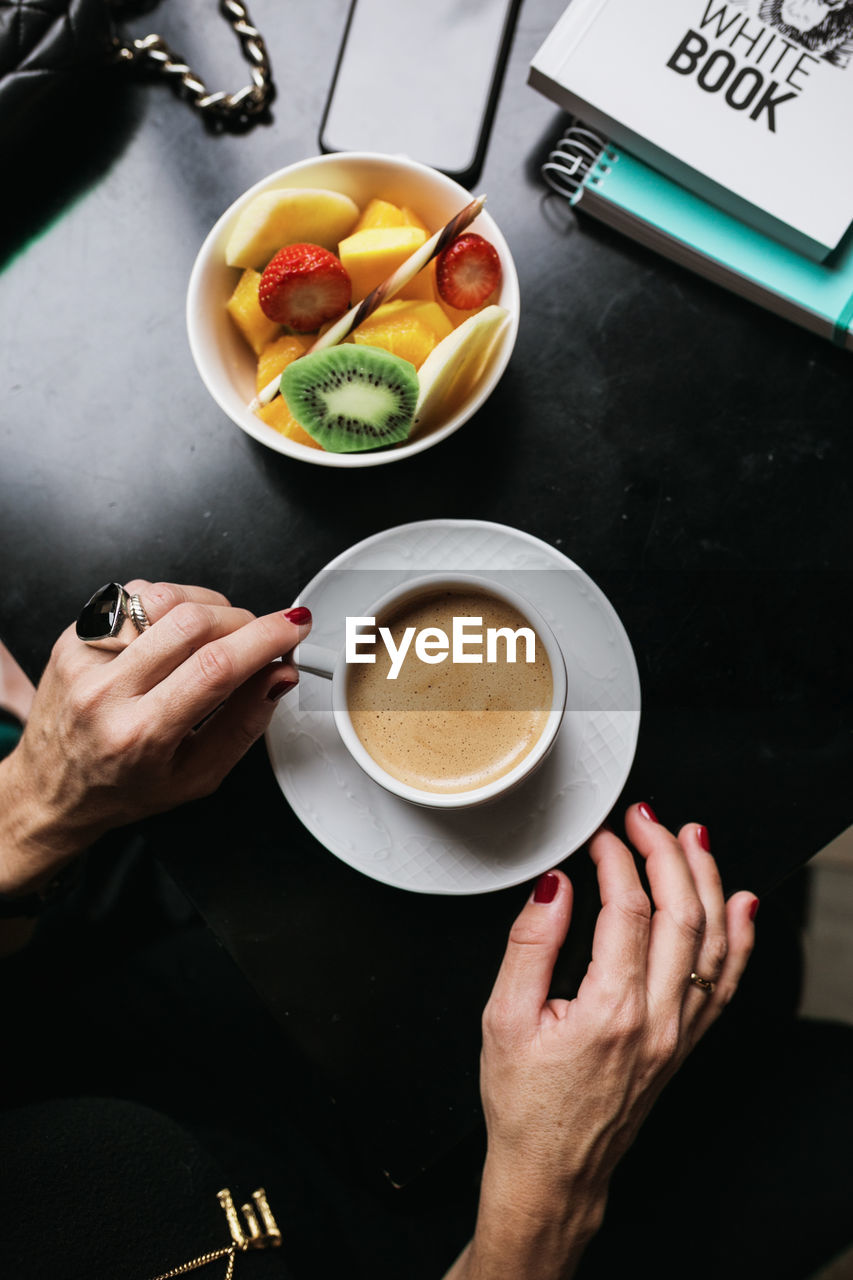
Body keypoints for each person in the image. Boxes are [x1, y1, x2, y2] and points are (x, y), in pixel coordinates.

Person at [0, 580, 758, 1279]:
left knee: (746, 973)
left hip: (140, 1036)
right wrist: (549, 1201)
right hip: (409, 1238)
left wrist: (29, 811)